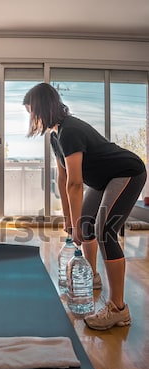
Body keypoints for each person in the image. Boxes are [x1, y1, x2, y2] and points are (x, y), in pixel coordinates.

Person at [23, 82, 147, 330]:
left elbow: (76, 183)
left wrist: (78, 221)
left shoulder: (70, 131)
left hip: (127, 172)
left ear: (44, 108)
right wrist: (70, 221)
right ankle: (93, 276)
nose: (31, 118)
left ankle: (118, 308)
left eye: (32, 112)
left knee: (104, 231)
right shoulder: (56, 136)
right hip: (102, 179)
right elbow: (62, 179)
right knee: (86, 226)